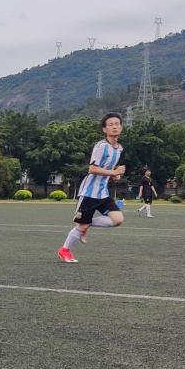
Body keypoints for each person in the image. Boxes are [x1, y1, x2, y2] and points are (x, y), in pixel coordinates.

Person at [57, 112, 126, 263]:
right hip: (89, 192)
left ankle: (86, 223)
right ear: (104, 129)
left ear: (121, 127)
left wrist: (114, 176)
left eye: (117, 124)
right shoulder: (101, 146)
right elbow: (92, 169)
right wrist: (113, 172)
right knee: (81, 227)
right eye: (110, 125)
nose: (114, 127)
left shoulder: (119, 148)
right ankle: (65, 250)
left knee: (118, 219)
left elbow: (106, 168)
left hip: (103, 193)